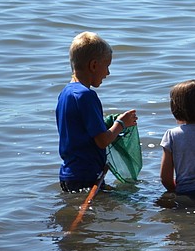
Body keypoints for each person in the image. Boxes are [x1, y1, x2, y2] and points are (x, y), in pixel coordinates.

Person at [56, 31, 137, 192]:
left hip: (69, 173)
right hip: (85, 175)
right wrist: (121, 123)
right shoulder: (87, 96)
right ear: (93, 65)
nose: (108, 73)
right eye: (107, 66)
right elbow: (102, 141)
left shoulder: (65, 93)